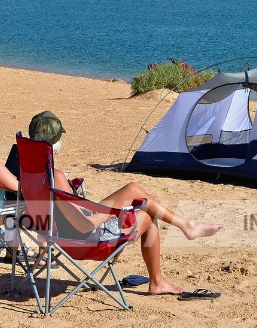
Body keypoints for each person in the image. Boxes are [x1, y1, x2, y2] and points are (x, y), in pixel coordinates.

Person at [28, 110, 223, 296]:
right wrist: (113, 211)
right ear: (54, 144)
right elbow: (84, 226)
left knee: (132, 189)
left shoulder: (31, 174)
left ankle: (186, 228)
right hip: (83, 240)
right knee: (148, 214)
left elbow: (54, 214)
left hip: (57, 233)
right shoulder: (56, 176)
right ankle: (159, 278)